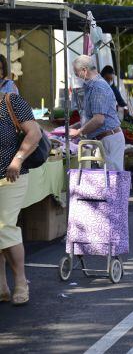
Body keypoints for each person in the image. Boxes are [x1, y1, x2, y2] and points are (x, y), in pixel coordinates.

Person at [0, 91, 42, 305]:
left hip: (10, 175)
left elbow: (34, 133)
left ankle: (20, 281)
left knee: (4, 227)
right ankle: (1, 286)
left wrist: (17, 160)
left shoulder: (10, 101)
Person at [69, 55, 125, 171]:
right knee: (105, 181)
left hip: (109, 139)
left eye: (76, 73)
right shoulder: (93, 86)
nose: (76, 76)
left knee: (110, 180)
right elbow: (90, 118)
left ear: (84, 70)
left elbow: (99, 120)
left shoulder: (98, 87)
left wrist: (79, 132)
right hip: (105, 138)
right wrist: (74, 127)